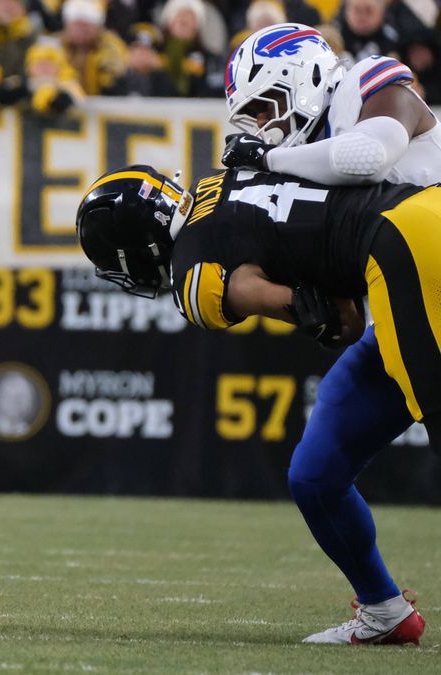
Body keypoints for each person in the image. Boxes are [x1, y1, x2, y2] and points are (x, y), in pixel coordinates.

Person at [76, 163, 431, 646]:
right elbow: (332, 263)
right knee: (316, 475)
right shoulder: (217, 181)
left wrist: (310, 313)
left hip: (405, 247)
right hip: (414, 224)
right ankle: (384, 610)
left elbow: (324, 317)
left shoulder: (194, 278)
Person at [218, 22, 440, 643]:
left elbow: (371, 153)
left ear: (306, 79)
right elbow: (346, 316)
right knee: (315, 473)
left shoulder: (367, 81)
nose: (259, 126)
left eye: (265, 106)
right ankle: (385, 611)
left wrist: (270, 161)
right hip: (401, 312)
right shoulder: (299, 170)